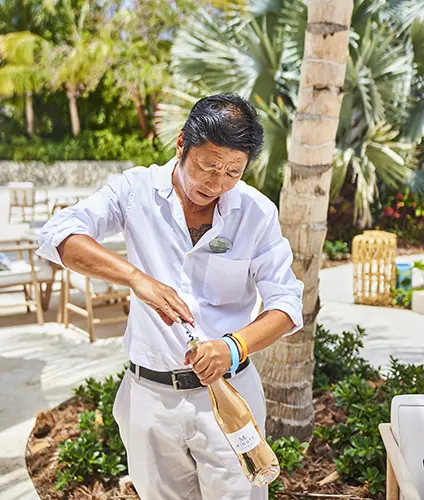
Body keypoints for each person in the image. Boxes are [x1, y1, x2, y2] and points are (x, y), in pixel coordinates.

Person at [37, 93, 304, 500]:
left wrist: (233, 348)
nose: (217, 184)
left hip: (231, 397)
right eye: (208, 166)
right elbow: (57, 235)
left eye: (233, 171)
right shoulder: (134, 191)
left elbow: (286, 305)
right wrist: (135, 278)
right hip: (150, 398)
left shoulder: (256, 212)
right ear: (182, 144)